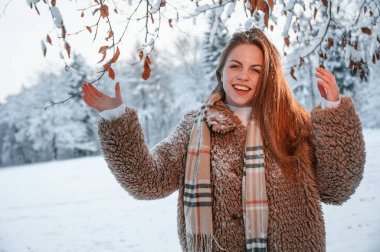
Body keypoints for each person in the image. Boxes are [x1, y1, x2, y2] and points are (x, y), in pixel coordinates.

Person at [82, 28, 365, 251]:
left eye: (256, 69)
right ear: (221, 71)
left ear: (268, 76)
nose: (243, 76)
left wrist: (333, 110)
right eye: (236, 66)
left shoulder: (292, 126)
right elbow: (147, 182)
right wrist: (116, 117)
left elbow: (338, 188)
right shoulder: (194, 127)